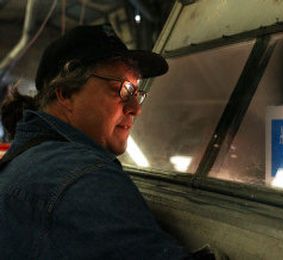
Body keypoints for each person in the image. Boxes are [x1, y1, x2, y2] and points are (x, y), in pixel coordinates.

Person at [0, 24, 219, 259]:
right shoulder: (84, 177)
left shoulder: (24, 158)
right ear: (65, 93)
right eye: (122, 90)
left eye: (136, 93)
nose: (136, 109)